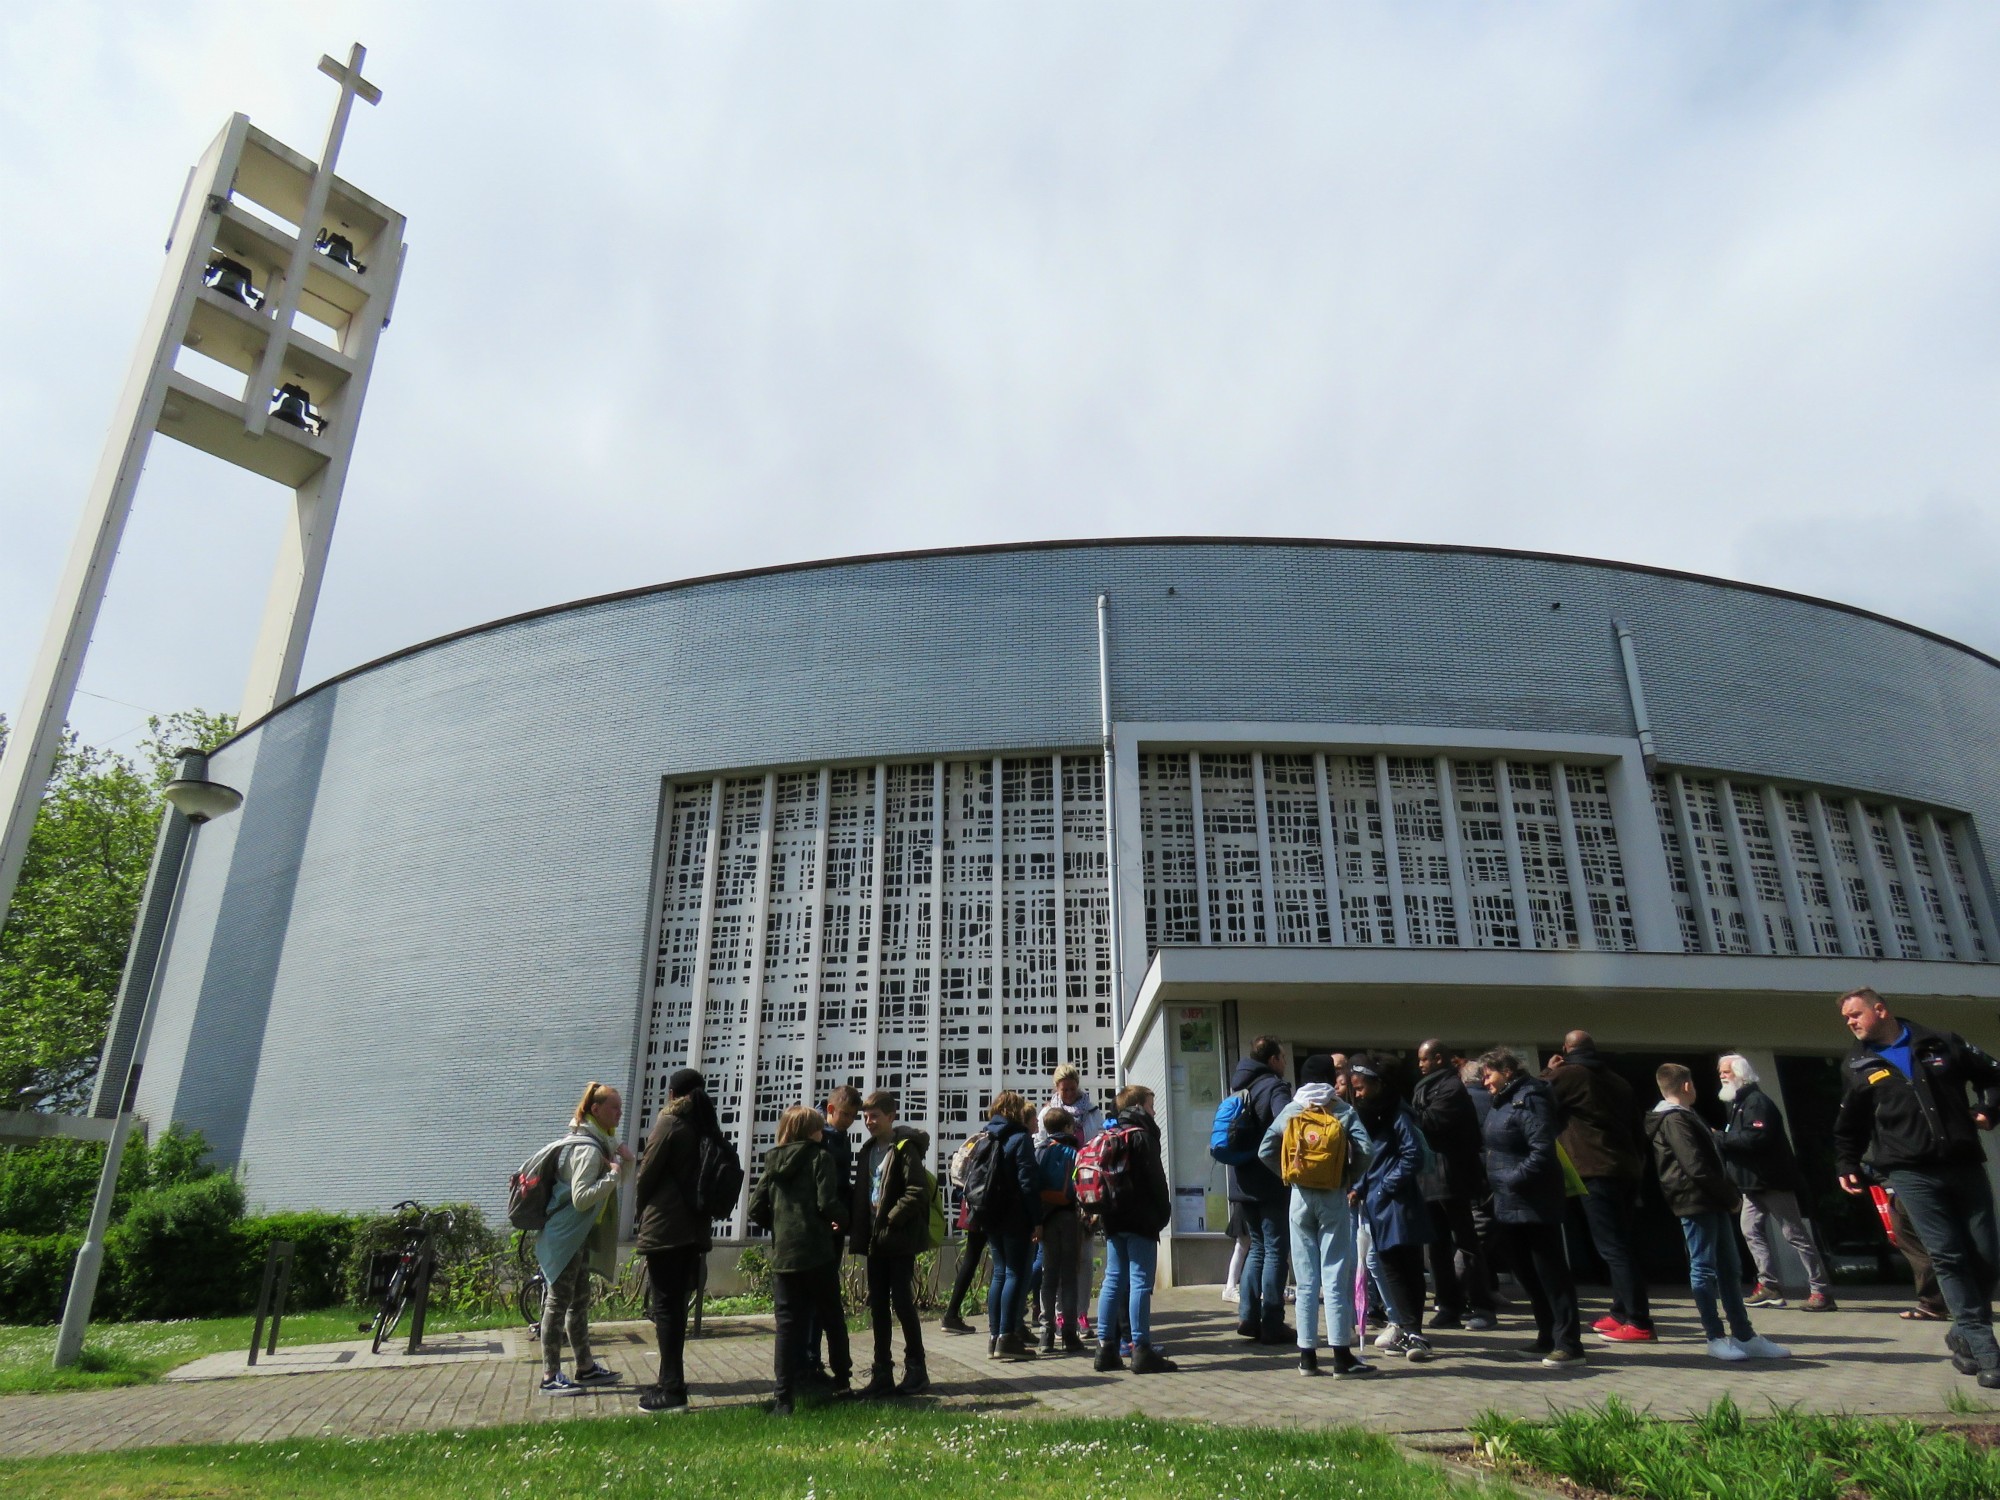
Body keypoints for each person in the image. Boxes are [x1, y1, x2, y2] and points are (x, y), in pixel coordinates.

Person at [1834, 986, 2000, 1389]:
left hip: (1963, 1164)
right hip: (1909, 1173)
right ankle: (1986, 1349)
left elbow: (1994, 1077)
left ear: (1880, 1009)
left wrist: (1988, 1109)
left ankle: (1961, 1334)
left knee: (1986, 1255)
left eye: (1856, 1014)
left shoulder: (1940, 1041)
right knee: (1947, 1256)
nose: (1851, 1023)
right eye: (1846, 1019)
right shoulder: (1856, 1064)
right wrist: (1846, 1162)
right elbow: (1850, 1123)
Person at [1647, 1064, 1793, 1361]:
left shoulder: (1686, 1116)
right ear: (1687, 1086)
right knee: (1703, 1268)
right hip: (1696, 1199)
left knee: (1730, 1267)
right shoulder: (1674, 1119)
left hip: (1710, 1199)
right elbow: (1695, 1165)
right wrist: (1730, 1195)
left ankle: (1744, 1335)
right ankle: (1714, 1336)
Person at [1258, 1053, 1378, 1376]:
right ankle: (1341, 1355)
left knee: (1305, 1279)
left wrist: (1290, 1175)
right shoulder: (1340, 1109)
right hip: (1333, 1196)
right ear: (1329, 1077)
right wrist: (1347, 1176)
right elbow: (1366, 1149)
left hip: (1299, 1199)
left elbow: (1265, 1150)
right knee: (1335, 1273)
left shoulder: (1293, 1108)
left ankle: (1306, 1357)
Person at [1542, 1030, 1655, 1344]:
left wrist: (1550, 1070)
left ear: (1566, 1049)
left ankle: (1639, 1322)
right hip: (1627, 1169)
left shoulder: (1568, 1074)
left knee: (1612, 1248)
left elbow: (1535, 1096)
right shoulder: (1619, 1082)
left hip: (1594, 1169)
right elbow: (1638, 1129)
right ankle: (1620, 1312)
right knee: (1621, 1243)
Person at [1479, 1049, 1586, 1368]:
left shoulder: (1531, 1098)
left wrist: (1511, 1179)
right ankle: (1546, 1335)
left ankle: (1569, 1342)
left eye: (1489, 1075)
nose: (1485, 1081)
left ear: (1508, 1071)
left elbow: (1542, 1151)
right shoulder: (1502, 1102)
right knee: (1527, 1273)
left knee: (1550, 1272)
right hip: (1507, 1201)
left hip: (1533, 1201)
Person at [748, 1105, 852, 1412]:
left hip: (785, 1255)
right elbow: (827, 1201)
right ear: (811, 1131)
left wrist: (779, 1226)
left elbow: (756, 1207)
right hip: (818, 1251)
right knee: (832, 1315)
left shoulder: (773, 1160)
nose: (823, 1132)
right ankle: (843, 1381)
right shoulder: (821, 1157)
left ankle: (783, 1396)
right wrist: (842, 1221)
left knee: (787, 1324)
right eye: (819, 1127)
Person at [1713, 1054, 1835, 1312]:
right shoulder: (1740, 1103)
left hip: (1772, 1182)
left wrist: (1721, 1138)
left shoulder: (1756, 1102)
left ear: (1741, 1073)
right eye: (1720, 1072)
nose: (1722, 1076)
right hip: (1752, 1185)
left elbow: (1757, 1138)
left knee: (1795, 1234)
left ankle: (1820, 1290)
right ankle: (1769, 1286)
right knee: (1750, 1230)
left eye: (1727, 1072)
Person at [535, 1081, 631, 1395]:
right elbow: (581, 1198)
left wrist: (624, 1164)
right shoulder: (587, 1150)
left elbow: (612, 1182)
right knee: (558, 1303)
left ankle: (585, 1367)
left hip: (577, 1237)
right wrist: (614, 1173)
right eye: (613, 1107)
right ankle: (550, 1375)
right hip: (565, 1238)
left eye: (619, 1106)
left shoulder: (601, 1144)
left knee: (578, 1302)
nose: (619, 1112)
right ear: (595, 1110)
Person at [634, 1068, 721, 1412]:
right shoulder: (705, 1125)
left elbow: (647, 1174)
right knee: (675, 1310)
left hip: (666, 1230)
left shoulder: (669, 1124)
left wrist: (641, 1211)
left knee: (665, 1309)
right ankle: (670, 1382)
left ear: (672, 1094)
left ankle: (671, 1390)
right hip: (693, 1231)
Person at [1349, 1057, 1438, 1362]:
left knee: (1406, 1269)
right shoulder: (1374, 1116)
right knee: (1393, 1269)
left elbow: (1411, 1155)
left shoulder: (1397, 1114)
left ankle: (1414, 1333)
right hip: (1380, 1204)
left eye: (1361, 1088)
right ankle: (1407, 1329)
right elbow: (1373, 1160)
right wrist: (1360, 1188)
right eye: (1354, 1089)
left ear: (1379, 1085)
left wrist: (1383, 1188)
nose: (1357, 1094)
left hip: (1399, 1205)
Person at [850, 1089, 933, 1397]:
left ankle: (916, 1369)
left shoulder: (903, 1148)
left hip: (897, 1238)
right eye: (865, 1117)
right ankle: (882, 1371)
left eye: (874, 1116)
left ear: (890, 1116)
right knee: (878, 1308)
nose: (869, 1122)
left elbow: (916, 1191)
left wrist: (891, 1217)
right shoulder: (868, 1150)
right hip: (875, 1240)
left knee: (902, 1302)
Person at [1091, 1084, 1177, 1373]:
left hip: (1113, 1217)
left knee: (1113, 1279)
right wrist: (1163, 1214)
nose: (1154, 1111)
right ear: (1139, 1106)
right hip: (1141, 1218)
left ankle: (1105, 1348)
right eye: (1151, 1105)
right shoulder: (1142, 1136)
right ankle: (1141, 1348)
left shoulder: (1110, 1134)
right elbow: (1156, 1180)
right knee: (1140, 1281)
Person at [1412, 1039, 1497, 1331]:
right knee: (1436, 1246)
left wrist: (1403, 1113)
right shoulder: (1425, 1086)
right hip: (1430, 1176)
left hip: (1453, 1176)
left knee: (1466, 1242)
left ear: (1438, 1058)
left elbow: (1432, 1121)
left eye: (1423, 1059)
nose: (1419, 1064)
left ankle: (1482, 1305)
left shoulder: (1451, 1087)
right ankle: (1449, 1306)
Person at [1228, 1035, 1296, 1344]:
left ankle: (1248, 1316)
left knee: (1256, 1248)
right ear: (1272, 1060)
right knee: (1275, 1250)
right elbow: (1287, 1123)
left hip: (1243, 1180)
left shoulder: (1242, 1087)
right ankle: (1272, 1321)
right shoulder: (1273, 1087)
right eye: (1282, 1057)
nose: (1284, 1063)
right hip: (1270, 1179)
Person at [974, 1091, 1044, 1360]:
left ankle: (994, 1337)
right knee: (1015, 1273)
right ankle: (1007, 1337)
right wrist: (1036, 1220)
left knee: (1000, 1274)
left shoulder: (987, 1136)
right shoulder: (1019, 1138)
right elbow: (1028, 1183)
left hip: (990, 1215)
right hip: (1015, 1217)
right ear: (1017, 1111)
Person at [803, 1085, 862, 1381]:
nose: (849, 1120)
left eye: (853, 1116)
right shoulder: (820, 1137)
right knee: (816, 1296)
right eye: (845, 1114)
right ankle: (810, 1358)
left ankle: (813, 1358)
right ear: (830, 1110)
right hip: (822, 1225)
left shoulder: (841, 1138)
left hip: (836, 1224)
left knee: (824, 1295)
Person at [1044, 1063, 1104, 1338]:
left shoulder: (1092, 1113)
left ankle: (1081, 1313)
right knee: (1055, 1260)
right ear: (1056, 1088)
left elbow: (1100, 1143)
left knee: (1084, 1257)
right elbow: (1040, 1148)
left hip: (1086, 1191)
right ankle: (1058, 1314)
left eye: (1071, 1088)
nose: (1068, 1093)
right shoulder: (1048, 1113)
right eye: (1063, 1089)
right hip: (1059, 1197)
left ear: (1078, 1085)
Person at [1036, 1106, 1087, 1353]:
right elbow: (1080, 1186)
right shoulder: (1075, 1152)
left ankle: (1046, 1334)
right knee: (1069, 1276)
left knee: (1048, 1277)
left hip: (1045, 1217)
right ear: (1068, 1128)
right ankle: (1069, 1333)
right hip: (1068, 1217)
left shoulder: (1041, 1151)